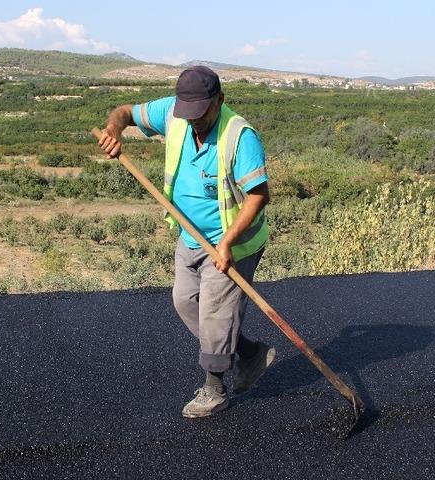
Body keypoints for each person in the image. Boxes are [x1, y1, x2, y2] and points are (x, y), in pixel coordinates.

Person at [98, 66, 275, 418]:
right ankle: (250, 353)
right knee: (184, 301)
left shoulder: (240, 136)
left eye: (201, 113)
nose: (193, 121)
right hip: (188, 235)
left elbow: (258, 196)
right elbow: (125, 112)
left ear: (219, 100)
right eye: (188, 113)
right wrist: (113, 131)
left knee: (214, 313)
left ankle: (214, 389)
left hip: (232, 244)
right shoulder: (174, 113)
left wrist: (226, 242)